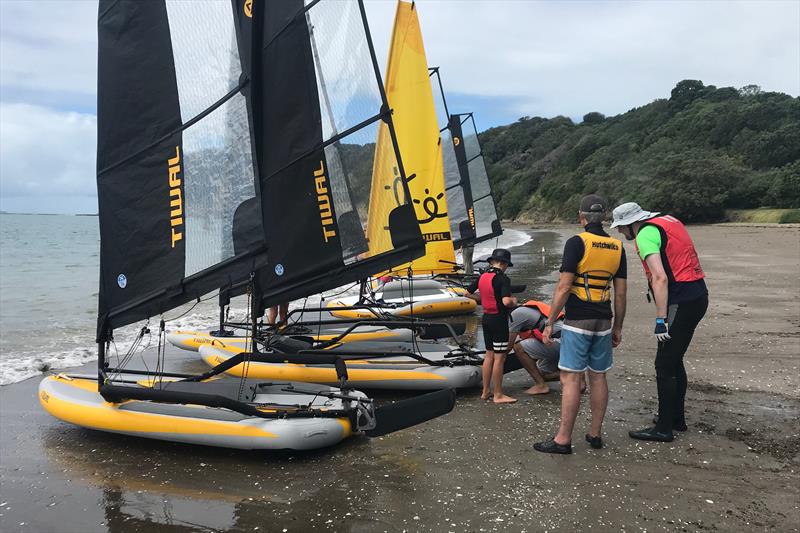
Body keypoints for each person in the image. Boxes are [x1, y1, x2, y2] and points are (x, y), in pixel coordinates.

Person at [534, 194, 627, 454]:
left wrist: (550, 321)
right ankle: (595, 434)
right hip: (603, 320)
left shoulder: (576, 243)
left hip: (578, 320)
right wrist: (618, 326)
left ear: (581, 217)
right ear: (605, 217)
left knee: (571, 378)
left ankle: (563, 439)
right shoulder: (617, 247)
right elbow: (620, 293)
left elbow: (564, 286)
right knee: (598, 377)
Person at [611, 202, 708, 442]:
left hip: (681, 300)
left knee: (664, 364)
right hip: (698, 295)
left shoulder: (645, 235)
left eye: (622, 228)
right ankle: (676, 419)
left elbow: (660, 277)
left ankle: (664, 428)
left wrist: (660, 319)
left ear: (632, 224)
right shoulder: (669, 220)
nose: (622, 234)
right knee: (674, 360)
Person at [465, 248, 519, 404]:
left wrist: (483, 301)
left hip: (486, 318)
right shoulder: (503, 279)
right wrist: (514, 301)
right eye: (507, 264)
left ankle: (485, 391)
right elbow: (506, 302)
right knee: (499, 358)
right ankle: (498, 394)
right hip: (498, 321)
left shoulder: (482, 276)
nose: (507, 267)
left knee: (489, 356)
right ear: (502, 263)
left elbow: (467, 294)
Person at [507, 300, 565, 395]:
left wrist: (491, 360)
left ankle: (541, 385)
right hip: (568, 341)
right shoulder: (527, 309)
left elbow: (508, 347)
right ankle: (572, 376)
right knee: (542, 374)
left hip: (561, 342)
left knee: (518, 347)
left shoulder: (516, 314)